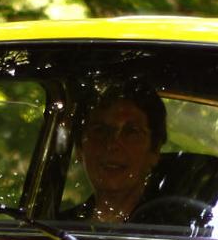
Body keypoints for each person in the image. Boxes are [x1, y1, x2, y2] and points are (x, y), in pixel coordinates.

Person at [66, 85, 167, 223]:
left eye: (131, 132)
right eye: (100, 130)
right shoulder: (55, 229)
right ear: (79, 149)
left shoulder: (176, 232)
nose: (112, 144)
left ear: (154, 151)